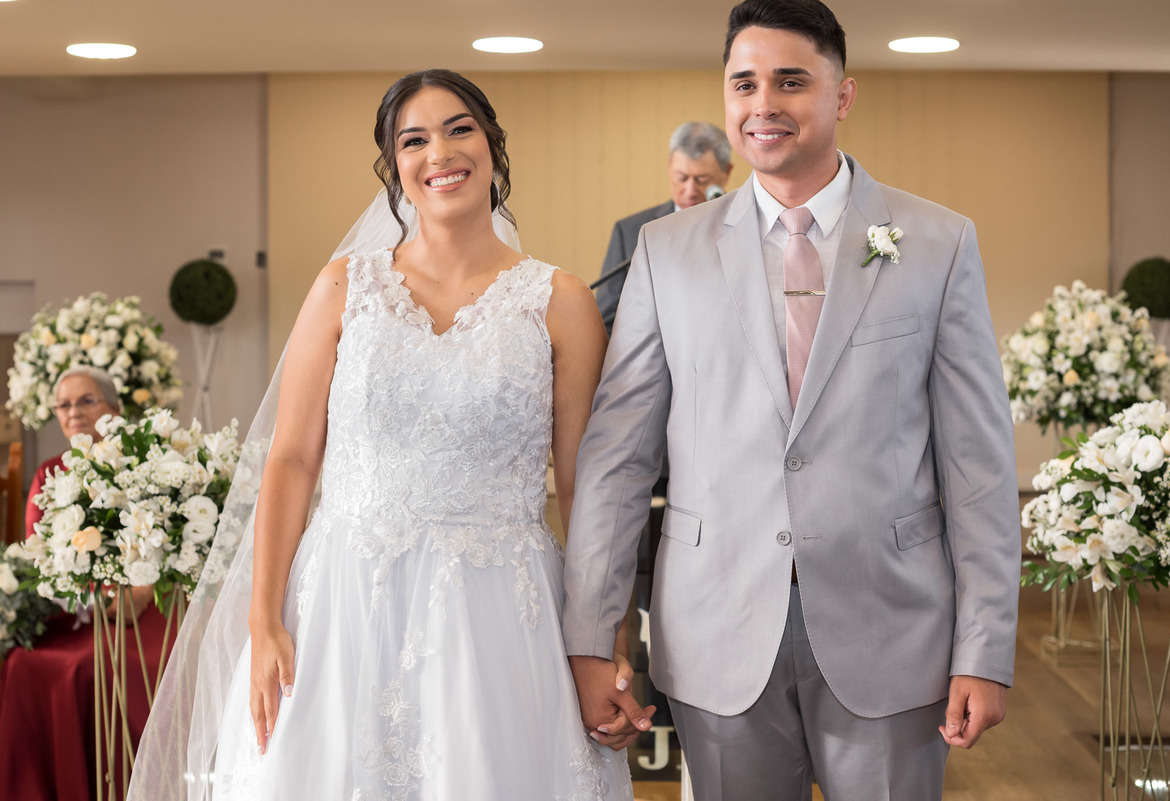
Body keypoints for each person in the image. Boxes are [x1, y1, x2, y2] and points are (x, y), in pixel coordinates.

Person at [128, 69, 637, 800]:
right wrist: (263, 620)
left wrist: (603, 644)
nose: (440, 153)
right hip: (342, 605)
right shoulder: (345, 287)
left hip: (499, 611)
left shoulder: (561, 302)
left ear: (493, 146)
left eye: (459, 129)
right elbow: (292, 459)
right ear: (394, 166)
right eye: (414, 140)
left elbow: (588, 491)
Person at [563, 1, 1021, 799]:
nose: (763, 104)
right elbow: (618, 459)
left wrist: (985, 649)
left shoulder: (938, 242)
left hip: (893, 627)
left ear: (842, 95)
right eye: (744, 84)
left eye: (790, 81)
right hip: (716, 626)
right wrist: (592, 638)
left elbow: (978, 467)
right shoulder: (665, 253)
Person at [0, 366, 167, 801]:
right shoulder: (48, 473)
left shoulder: (143, 462)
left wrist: (140, 592)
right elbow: (40, 558)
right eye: (64, 404)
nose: (73, 412)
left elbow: (168, 542)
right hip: (76, 610)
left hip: (145, 604)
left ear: (114, 408)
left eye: (86, 401)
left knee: (106, 666)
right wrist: (93, 599)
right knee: (24, 664)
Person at [594, 121, 734, 333]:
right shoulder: (631, 231)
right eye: (681, 178)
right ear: (669, 165)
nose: (689, 190)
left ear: (726, 172)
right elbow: (607, 321)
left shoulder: (743, 226)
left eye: (702, 180)